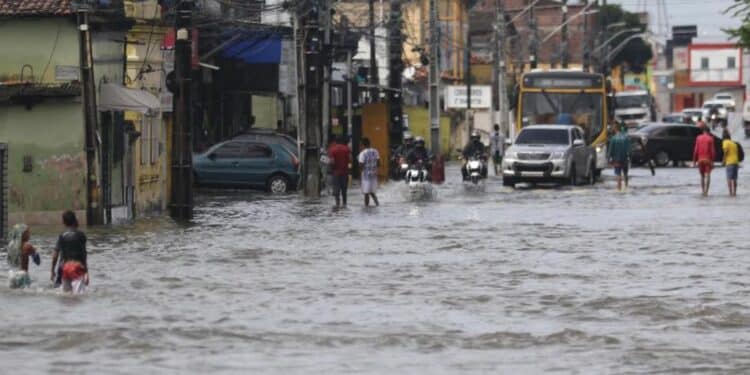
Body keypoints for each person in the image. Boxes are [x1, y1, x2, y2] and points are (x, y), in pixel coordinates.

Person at [51, 211, 89, 293]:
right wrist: (86, 272)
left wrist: (52, 270)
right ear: (75, 220)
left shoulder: (62, 236)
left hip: (65, 268)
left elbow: (55, 255)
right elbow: (84, 254)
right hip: (76, 267)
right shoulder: (81, 235)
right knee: (78, 297)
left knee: (66, 296)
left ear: (63, 222)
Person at [7, 224, 40, 289]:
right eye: (27, 232)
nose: (29, 234)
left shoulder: (10, 245)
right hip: (23, 274)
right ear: (22, 234)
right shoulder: (27, 245)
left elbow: (9, 260)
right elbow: (37, 262)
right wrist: (36, 252)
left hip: (12, 274)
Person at [693, 123, 716, 197]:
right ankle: (706, 191)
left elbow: (695, 150)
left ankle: (703, 191)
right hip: (707, 159)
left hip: (700, 159)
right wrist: (713, 161)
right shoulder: (710, 138)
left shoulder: (698, 138)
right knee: (708, 175)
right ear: (708, 131)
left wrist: (694, 161)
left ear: (703, 131)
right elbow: (712, 151)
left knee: (702, 176)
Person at [328, 135, 351, 208]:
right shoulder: (347, 149)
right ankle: (344, 204)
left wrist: (331, 168)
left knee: (336, 191)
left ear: (335, 142)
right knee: (344, 190)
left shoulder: (332, 149)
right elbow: (350, 160)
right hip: (345, 172)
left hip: (336, 173)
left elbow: (332, 162)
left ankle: (337, 204)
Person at [608, 123, 631, 191]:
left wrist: (609, 159)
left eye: (613, 128)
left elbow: (610, 150)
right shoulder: (626, 138)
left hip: (616, 160)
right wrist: (630, 157)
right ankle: (626, 187)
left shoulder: (613, 138)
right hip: (625, 159)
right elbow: (629, 150)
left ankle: (619, 189)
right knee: (625, 173)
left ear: (615, 129)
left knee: (618, 174)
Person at [358, 137, 380, 207]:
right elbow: (378, 163)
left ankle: (366, 207)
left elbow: (361, 166)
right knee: (372, 192)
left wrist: (359, 177)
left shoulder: (362, 153)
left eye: (360, 145)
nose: (360, 146)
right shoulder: (375, 151)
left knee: (366, 193)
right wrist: (375, 169)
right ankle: (377, 204)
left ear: (363, 145)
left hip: (365, 176)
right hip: (373, 175)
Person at [722, 129, 739, 197]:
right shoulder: (733, 143)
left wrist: (723, 160)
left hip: (729, 162)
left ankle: (730, 193)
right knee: (734, 179)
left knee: (729, 178)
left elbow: (725, 151)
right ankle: (734, 192)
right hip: (735, 162)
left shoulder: (725, 142)